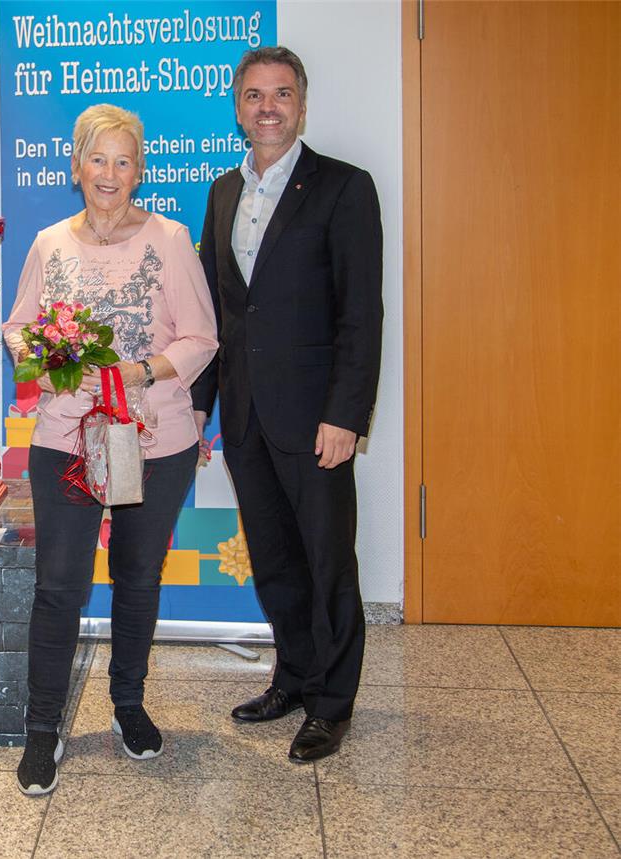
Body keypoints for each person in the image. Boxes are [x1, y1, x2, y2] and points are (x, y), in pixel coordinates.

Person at [3, 104, 217, 796]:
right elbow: (18, 329)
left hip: (155, 441)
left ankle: (129, 704)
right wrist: (45, 361)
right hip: (66, 439)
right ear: (76, 166)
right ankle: (42, 727)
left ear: (139, 170)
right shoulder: (48, 244)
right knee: (58, 586)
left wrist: (139, 371)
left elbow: (202, 337)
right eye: (98, 158)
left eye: (123, 161)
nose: (109, 173)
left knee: (138, 576)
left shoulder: (171, 239)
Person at [191, 46, 383, 762]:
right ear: (238, 108)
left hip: (316, 420)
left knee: (327, 562)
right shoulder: (222, 192)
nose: (267, 107)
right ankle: (295, 678)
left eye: (281, 94)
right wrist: (201, 408)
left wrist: (347, 416)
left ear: (301, 104)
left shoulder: (344, 188)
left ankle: (332, 704)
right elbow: (217, 313)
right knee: (274, 560)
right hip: (245, 416)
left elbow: (361, 315)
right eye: (254, 95)